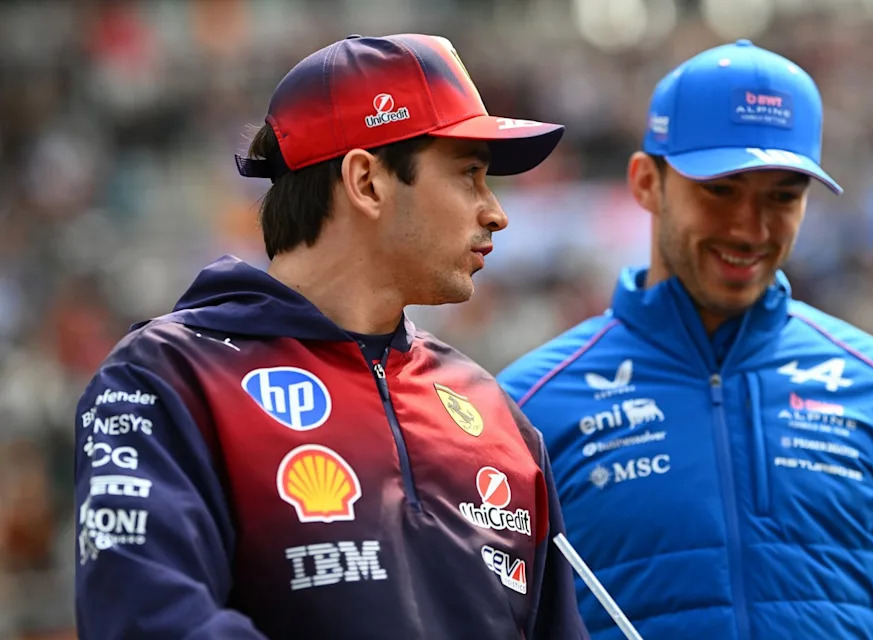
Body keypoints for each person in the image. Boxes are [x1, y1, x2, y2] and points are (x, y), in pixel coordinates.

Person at [74, 33, 588, 640]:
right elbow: (150, 620)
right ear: (367, 182)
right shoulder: (166, 378)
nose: (495, 211)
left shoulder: (496, 416)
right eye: (470, 174)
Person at [498, 40, 873, 640]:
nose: (750, 228)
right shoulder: (528, 406)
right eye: (720, 189)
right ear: (646, 183)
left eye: (783, 197)